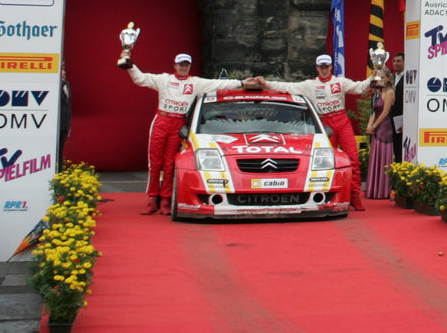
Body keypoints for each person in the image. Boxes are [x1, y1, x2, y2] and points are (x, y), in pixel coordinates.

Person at [249, 54, 376, 211]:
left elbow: (359, 88)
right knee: (327, 161)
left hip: (341, 121)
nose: (324, 70)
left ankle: (354, 196)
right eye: (321, 67)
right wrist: (266, 83)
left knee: (353, 159)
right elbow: (288, 87)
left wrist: (374, 75)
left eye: (326, 67)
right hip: (324, 123)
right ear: (317, 68)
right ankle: (329, 194)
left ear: (331, 67)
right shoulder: (310, 85)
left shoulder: (340, 82)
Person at [122, 50, 244, 215]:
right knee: (155, 163)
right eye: (181, 64)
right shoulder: (164, 79)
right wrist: (130, 65)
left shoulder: (195, 82)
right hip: (162, 120)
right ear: (175, 66)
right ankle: (152, 199)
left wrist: (242, 83)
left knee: (170, 163)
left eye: (186, 65)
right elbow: (141, 78)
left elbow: (217, 84)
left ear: (189, 66)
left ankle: (165, 200)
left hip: (179, 124)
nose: (184, 67)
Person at [362, 52, 396, 200]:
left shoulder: (389, 93)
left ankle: (382, 190)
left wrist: (374, 126)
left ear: (388, 78)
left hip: (385, 128)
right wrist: (370, 125)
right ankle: (373, 190)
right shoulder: (377, 92)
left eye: (382, 77)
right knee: (375, 157)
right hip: (376, 128)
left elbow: (385, 112)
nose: (379, 79)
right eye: (377, 77)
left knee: (383, 158)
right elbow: (373, 111)